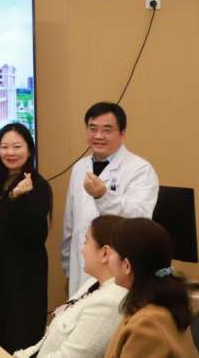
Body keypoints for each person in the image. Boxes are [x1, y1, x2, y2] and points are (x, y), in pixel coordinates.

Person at [0, 123, 52, 352]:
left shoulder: (38, 186)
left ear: (29, 150)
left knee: (18, 339)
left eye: (17, 146)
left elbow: (36, 234)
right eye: (4, 147)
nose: (10, 152)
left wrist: (17, 198)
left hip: (21, 281)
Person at [62, 102, 159, 295]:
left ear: (122, 133)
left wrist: (103, 195)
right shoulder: (80, 167)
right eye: (92, 129)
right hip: (80, 270)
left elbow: (140, 219)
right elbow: (70, 224)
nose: (98, 136)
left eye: (107, 130)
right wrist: (67, 268)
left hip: (118, 274)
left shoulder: (140, 169)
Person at [15, 215, 128, 358]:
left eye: (86, 242)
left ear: (105, 253)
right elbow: (43, 345)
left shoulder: (109, 303)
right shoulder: (92, 283)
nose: (82, 250)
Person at [104, 218, 198, 357]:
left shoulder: (147, 325)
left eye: (111, 253)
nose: (108, 258)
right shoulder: (159, 304)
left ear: (127, 266)